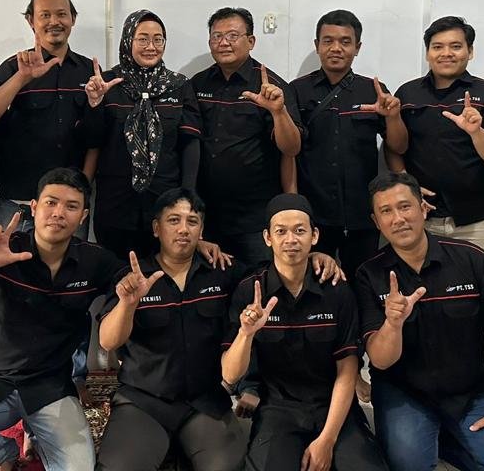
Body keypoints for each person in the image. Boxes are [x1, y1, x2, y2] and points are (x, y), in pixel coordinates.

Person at [95, 188, 345, 471]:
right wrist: (128, 304)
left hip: (206, 402)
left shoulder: (224, 270)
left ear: (201, 230)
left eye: (192, 222)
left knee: (229, 467)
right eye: (173, 220)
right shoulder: (135, 276)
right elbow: (108, 341)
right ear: (156, 228)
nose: (183, 229)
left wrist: (312, 256)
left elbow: (274, 272)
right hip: (144, 401)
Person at [0, 167, 126, 471]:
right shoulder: (7, 248)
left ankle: (36, 431)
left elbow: (128, 277)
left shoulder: (94, 260)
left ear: (83, 216)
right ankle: (5, 453)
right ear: (34, 207)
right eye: (51, 202)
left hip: (51, 388)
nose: (58, 213)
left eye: (71, 206)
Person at [356, 171, 484, 471]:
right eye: (386, 211)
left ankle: (448, 438)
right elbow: (381, 360)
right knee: (410, 464)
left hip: (471, 391)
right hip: (404, 393)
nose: (398, 219)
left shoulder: (472, 259)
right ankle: (437, 437)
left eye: (405, 206)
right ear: (376, 222)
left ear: (423, 208)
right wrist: (393, 324)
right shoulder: (369, 275)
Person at [221, 194, 385, 471]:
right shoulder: (250, 290)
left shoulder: (337, 289)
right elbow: (229, 374)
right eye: (280, 231)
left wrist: (327, 440)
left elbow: (347, 370)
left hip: (333, 405)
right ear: (267, 238)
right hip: (277, 409)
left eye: (299, 230)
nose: (291, 239)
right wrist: (246, 334)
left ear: (314, 236)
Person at [386, 16, 484, 266]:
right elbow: (394, 148)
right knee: (421, 288)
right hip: (420, 220)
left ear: (470, 51)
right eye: (438, 46)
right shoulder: (408, 93)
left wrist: (476, 132)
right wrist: (405, 183)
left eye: (456, 46)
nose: (446, 53)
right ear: (428, 53)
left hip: (479, 222)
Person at [292, 9, 407, 276]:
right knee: (314, 283)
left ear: (357, 47)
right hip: (314, 213)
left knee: (365, 283)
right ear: (317, 45)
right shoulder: (297, 90)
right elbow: (288, 151)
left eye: (345, 41)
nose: (336, 48)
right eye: (328, 41)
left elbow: (398, 147)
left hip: (363, 213)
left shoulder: (373, 90)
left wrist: (393, 117)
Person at [83, 10, 203, 259]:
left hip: (164, 201)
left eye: (158, 39)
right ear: (128, 41)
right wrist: (94, 104)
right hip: (116, 202)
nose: (151, 46)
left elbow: (190, 144)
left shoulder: (179, 85)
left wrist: (188, 196)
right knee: (115, 272)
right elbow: (92, 140)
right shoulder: (107, 83)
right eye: (143, 39)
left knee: (162, 270)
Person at [0, 0, 94, 230]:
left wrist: (85, 186)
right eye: (45, 15)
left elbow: (97, 137)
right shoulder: (14, 67)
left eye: (61, 14)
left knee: (73, 257)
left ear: (73, 19)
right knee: (13, 257)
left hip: (70, 203)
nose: (54, 21)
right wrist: (21, 79)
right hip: (20, 202)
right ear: (31, 21)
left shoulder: (89, 71)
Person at [191, 7, 304, 266]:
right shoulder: (198, 84)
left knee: (258, 282)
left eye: (233, 35)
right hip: (208, 214)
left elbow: (291, 148)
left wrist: (278, 111)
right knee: (211, 284)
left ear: (251, 41)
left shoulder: (272, 87)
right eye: (217, 36)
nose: (224, 42)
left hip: (255, 218)